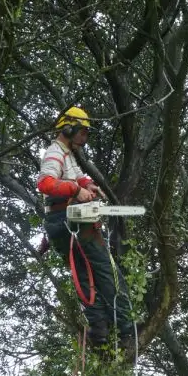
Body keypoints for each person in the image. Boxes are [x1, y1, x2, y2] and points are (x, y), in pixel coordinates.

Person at [37, 106, 134, 346]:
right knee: (106, 272)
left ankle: (99, 331)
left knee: (83, 276)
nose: (85, 137)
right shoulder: (54, 152)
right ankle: (126, 332)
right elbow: (46, 183)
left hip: (60, 223)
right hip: (70, 221)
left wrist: (88, 185)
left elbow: (78, 176)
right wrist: (75, 190)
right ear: (69, 128)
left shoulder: (67, 154)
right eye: (83, 132)